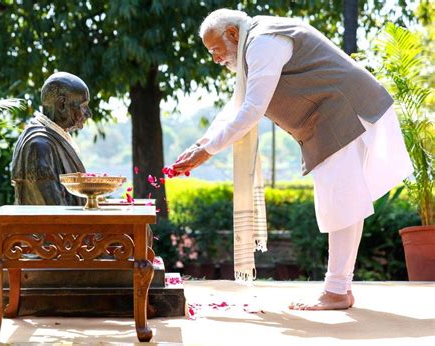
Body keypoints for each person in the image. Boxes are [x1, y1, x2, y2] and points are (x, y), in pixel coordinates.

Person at [172, 9, 413, 310]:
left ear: (233, 34)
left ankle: (337, 291)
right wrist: (201, 145)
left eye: (216, 50)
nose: (216, 59)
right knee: (343, 202)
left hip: (344, 112)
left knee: (341, 203)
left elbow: (251, 109)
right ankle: (339, 289)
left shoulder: (263, 42)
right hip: (336, 116)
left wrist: (208, 150)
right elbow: (235, 108)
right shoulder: (255, 42)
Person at [11, 72, 91, 205]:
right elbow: (55, 211)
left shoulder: (52, 138)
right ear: (61, 104)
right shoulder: (39, 145)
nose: (88, 113)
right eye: (83, 106)